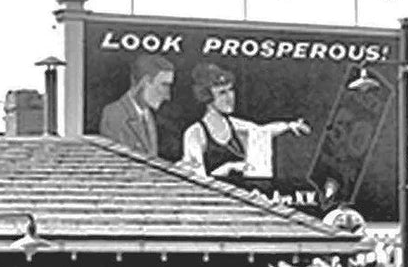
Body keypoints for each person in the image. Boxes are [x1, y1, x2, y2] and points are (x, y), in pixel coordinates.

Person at [177, 62, 310, 184]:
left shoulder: (235, 125)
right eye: (222, 93)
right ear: (207, 97)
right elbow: (197, 180)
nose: (230, 97)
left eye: (231, 90)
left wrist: (290, 126)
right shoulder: (195, 133)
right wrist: (227, 168)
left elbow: (262, 130)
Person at [98, 54, 175, 157]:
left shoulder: (147, 115)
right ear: (145, 82)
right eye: (164, 85)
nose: (167, 96)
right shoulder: (115, 115)